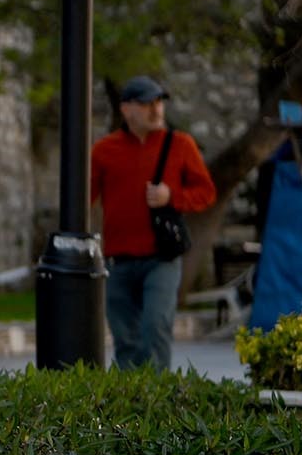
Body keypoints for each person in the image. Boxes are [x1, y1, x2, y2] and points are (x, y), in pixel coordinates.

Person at [89, 75, 216, 369]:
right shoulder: (104, 151)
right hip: (118, 260)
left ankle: (158, 406)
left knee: (155, 328)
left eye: (159, 102)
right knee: (125, 339)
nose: (156, 109)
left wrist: (172, 196)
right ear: (127, 109)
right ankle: (130, 406)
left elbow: (206, 193)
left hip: (162, 258)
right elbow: (84, 196)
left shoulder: (180, 145)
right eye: (147, 103)